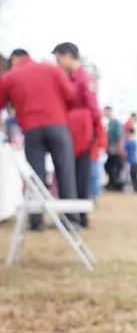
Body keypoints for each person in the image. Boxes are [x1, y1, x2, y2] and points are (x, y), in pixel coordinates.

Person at [0, 48, 79, 230]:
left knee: (36, 176)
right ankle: (71, 220)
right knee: (65, 170)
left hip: (31, 127)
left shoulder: (10, 77)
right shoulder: (51, 69)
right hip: (58, 125)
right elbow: (71, 94)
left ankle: (36, 221)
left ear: (14, 59)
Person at [53, 42, 101, 227]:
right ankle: (72, 215)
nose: (57, 63)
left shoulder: (83, 78)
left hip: (81, 130)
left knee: (78, 173)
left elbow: (93, 107)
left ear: (68, 56)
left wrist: (95, 131)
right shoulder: (72, 77)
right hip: (75, 128)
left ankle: (79, 217)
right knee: (69, 172)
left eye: (58, 58)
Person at [103, 106, 125, 191]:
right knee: (108, 166)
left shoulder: (115, 122)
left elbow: (121, 136)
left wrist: (120, 148)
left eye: (105, 112)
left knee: (117, 166)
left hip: (115, 147)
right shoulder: (110, 123)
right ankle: (112, 183)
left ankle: (117, 184)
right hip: (111, 147)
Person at [124, 126, 137, 193]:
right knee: (135, 176)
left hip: (130, 162)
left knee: (130, 176)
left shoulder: (128, 142)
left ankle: (133, 189)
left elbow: (124, 152)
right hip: (135, 161)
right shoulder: (135, 141)